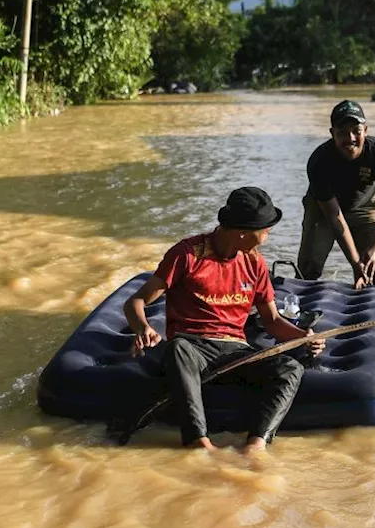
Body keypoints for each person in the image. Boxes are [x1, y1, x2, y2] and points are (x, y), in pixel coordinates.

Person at [122, 187, 325, 455]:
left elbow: (273, 320)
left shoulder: (255, 263)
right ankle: (200, 444)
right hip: (191, 348)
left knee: (289, 368)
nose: (267, 235)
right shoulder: (187, 254)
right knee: (177, 349)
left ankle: (255, 446)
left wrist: (303, 337)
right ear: (241, 232)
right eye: (264, 230)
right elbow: (134, 302)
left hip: (235, 350)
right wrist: (144, 328)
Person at [297, 100, 375, 288]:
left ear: (365, 130)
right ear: (332, 134)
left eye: (356, 131)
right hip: (323, 211)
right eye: (342, 132)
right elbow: (335, 218)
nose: (350, 138)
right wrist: (354, 263)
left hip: (364, 207)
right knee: (308, 269)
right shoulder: (319, 162)